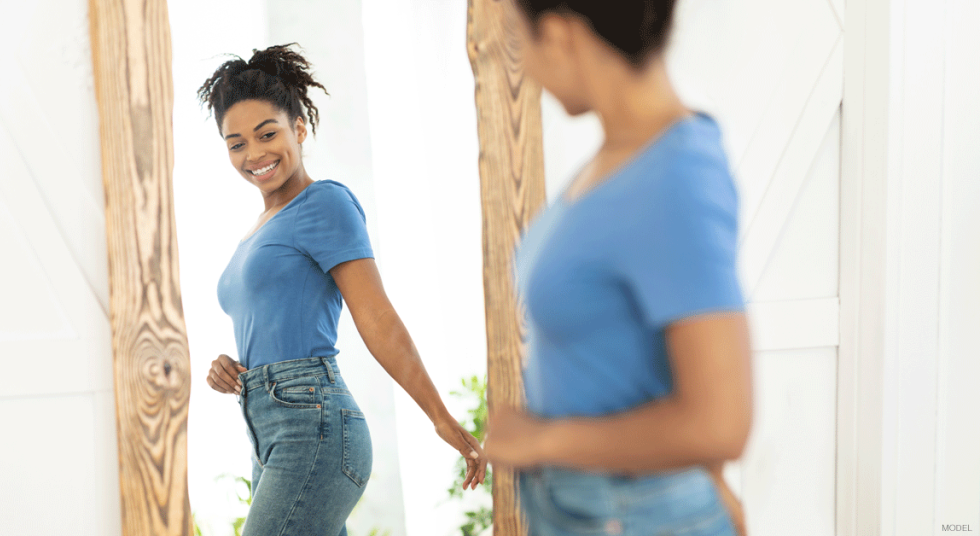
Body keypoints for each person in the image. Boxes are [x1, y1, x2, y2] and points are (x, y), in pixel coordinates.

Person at [482, 2, 752, 535]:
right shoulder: (622, 158)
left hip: (630, 514)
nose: (527, 65)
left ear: (558, 34)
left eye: (520, 38)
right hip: (596, 509)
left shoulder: (675, 175)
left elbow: (721, 422)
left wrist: (540, 440)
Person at [198, 44, 487, 536]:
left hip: (312, 426)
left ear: (300, 128)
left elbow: (375, 316)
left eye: (268, 134)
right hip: (266, 429)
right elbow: (272, 320)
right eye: (236, 143)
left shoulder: (324, 203)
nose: (255, 154)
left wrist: (438, 416)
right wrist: (228, 366)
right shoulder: (258, 229)